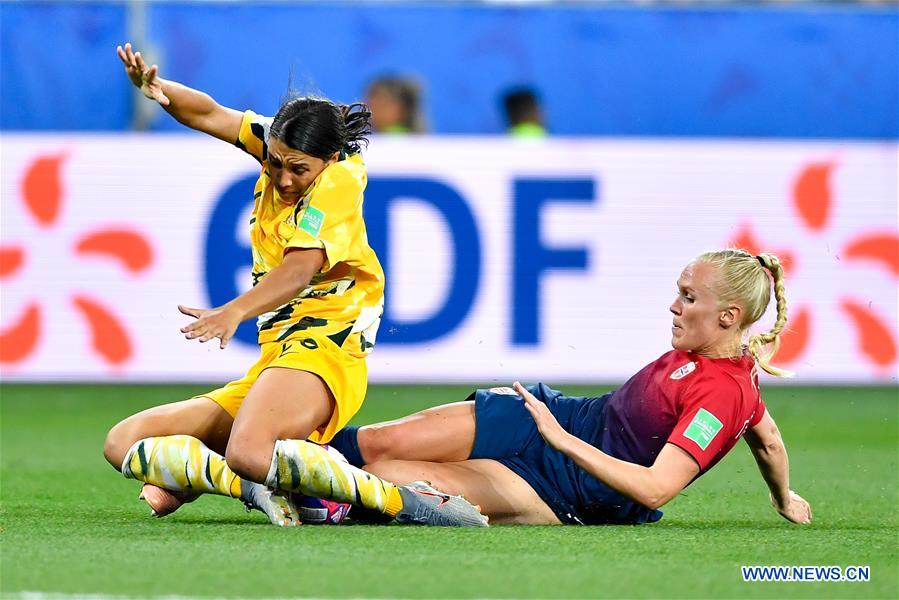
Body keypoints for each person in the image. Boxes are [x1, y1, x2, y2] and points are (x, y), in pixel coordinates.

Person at [102, 43, 487, 528]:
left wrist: (235, 311)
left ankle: (402, 501)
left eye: (297, 168)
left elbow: (298, 270)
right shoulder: (283, 144)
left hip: (325, 353)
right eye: (275, 162)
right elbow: (210, 114)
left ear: (327, 159)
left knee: (247, 449)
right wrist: (159, 91)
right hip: (278, 358)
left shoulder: (339, 183)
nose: (283, 178)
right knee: (124, 442)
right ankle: (257, 487)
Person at [329, 249, 813, 526]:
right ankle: (258, 463)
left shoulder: (723, 395)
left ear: (729, 317)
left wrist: (562, 442)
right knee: (377, 442)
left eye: (689, 298)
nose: (674, 306)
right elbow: (767, 438)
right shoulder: (717, 362)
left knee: (384, 477)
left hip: (564, 489)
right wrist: (784, 495)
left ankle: (294, 490)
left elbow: (656, 489)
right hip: (552, 418)